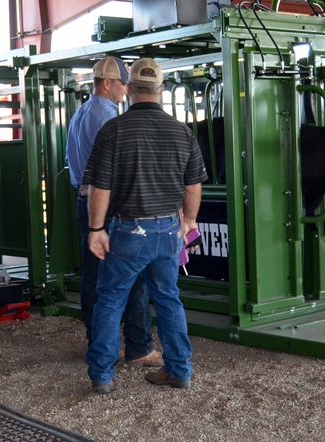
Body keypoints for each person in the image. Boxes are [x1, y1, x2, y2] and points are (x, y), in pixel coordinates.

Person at [83, 58, 208, 393]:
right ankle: (180, 370)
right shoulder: (182, 131)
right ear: (160, 90)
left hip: (128, 232)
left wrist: (96, 230)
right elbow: (194, 186)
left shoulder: (114, 129)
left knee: (110, 300)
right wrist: (190, 221)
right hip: (168, 230)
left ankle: (102, 376)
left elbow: (101, 188)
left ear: (132, 89)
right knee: (169, 299)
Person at [65, 57, 162, 366]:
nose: (125, 89)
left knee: (95, 277)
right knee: (133, 276)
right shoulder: (107, 117)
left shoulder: (82, 112)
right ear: (107, 83)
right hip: (110, 205)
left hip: (85, 199)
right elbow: (113, 171)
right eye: (122, 84)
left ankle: (97, 343)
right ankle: (139, 347)